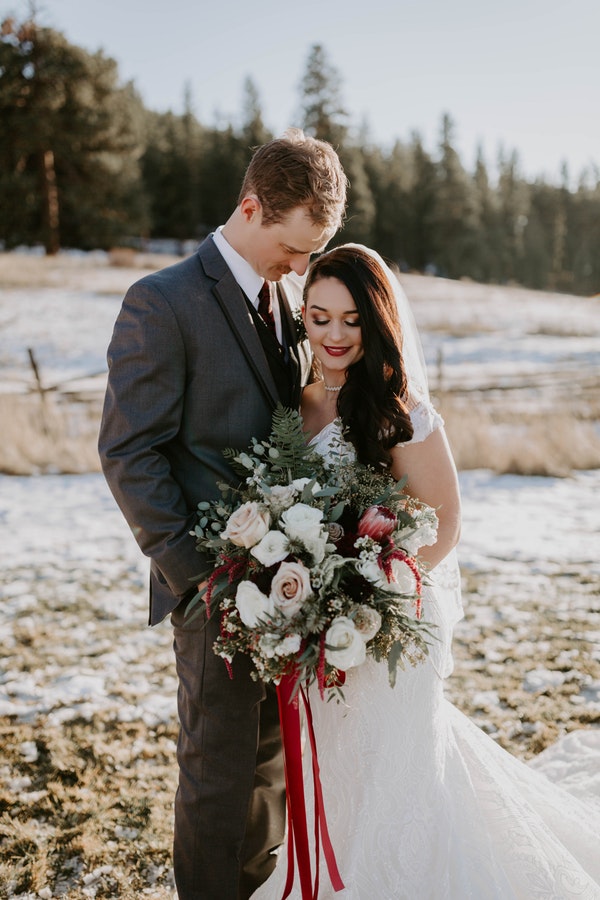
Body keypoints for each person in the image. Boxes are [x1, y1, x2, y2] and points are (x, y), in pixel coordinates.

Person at [252, 245, 600, 899]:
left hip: (390, 629)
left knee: (398, 777)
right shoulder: (291, 411)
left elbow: (442, 523)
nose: (331, 335)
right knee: (341, 774)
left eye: (350, 320)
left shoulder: (401, 410)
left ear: (376, 322)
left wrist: (367, 595)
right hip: (314, 633)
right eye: (318, 317)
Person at [98, 129, 348, 900]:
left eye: (315, 253)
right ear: (250, 207)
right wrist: (197, 576)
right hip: (210, 591)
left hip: (286, 590)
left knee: (269, 769)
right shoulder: (162, 301)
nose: (304, 269)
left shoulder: (282, 300)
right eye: (296, 249)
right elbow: (128, 452)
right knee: (217, 776)